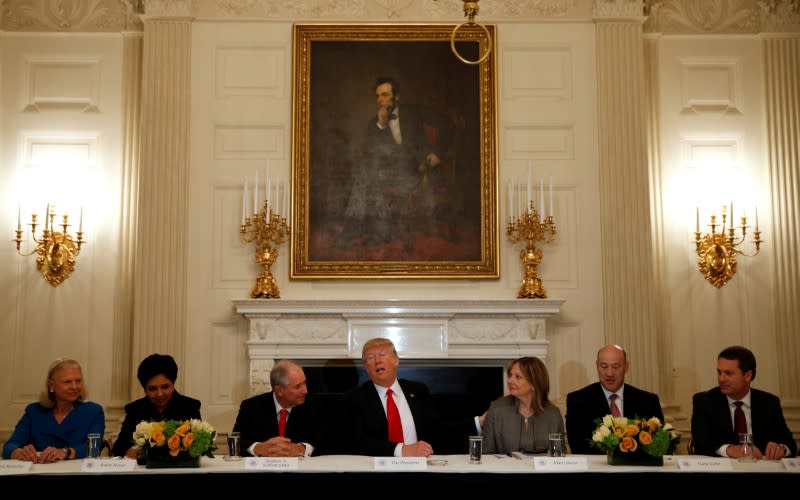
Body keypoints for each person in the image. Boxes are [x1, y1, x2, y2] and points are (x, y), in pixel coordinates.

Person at [343, 77, 452, 249]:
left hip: (415, 170)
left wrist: (436, 152)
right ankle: (361, 232)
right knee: (364, 178)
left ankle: (376, 233)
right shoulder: (375, 123)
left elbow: (447, 124)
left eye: (385, 95)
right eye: (378, 96)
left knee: (367, 179)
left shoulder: (414, 112)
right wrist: (381, 125)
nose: (380, 100)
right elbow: (369, 153)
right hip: (387, 173)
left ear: (397, 97)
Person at [343, 337, 481, 457]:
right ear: (366, 367)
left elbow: (437, 428)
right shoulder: (355, 398)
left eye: (382, 354)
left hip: (419, 470)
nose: (377, 360)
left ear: (396, 360)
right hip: (378, 473)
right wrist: (401, 450)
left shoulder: (417, 390)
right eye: (370, 357)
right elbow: (357, 441)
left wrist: (478, 422)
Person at [691, 345, 796, 459]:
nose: (721, 378)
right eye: (719, 372)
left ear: (748, 375)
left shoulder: (769, 402)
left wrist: (781, 449)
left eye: (728, 373)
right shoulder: (705, 401)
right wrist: (730, 450)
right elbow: (700, 443)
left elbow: (790, 445)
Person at [565, 344, 663, 454]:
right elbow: (578, 447)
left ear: (626, 367)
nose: (609, 373)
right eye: (604, 366)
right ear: (597, 365)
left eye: (615, 367)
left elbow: (659, 445)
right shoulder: (577, 401)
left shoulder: (648, 401)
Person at [2, 358, 104, 462]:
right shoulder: (34, 412)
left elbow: (94, 447)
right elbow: (9, 446)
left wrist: (65, 452)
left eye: (78, 381)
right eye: (67, 382)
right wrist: (18, 452)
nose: (74, 387)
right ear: (51, 385)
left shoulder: (93, 412)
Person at [111, 353, 202, 458]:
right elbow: (119, 448)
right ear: (145, 390)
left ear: (173, 385)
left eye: (165, 387)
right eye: (153, 389)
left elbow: (199, 447)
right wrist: (130, 451)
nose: (159, 394)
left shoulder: (190, 406)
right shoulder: (135, 409)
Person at [232, 359, 319, 457]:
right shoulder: (251, 406)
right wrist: (258, 448)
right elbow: (235, 443)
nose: (305, 390)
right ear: (279, 390)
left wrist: (301, 448)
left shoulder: (314, 406)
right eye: (298, 386)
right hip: (262, 470)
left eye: (304, 383)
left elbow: (325, 441)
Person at [482, 357, 564, 454]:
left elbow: (560, 456)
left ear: (534, 383)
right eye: (510, 375)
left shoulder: (553, 414)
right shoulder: (496, 409)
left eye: (518, 377)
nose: (510, 381)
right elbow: (487, 455)